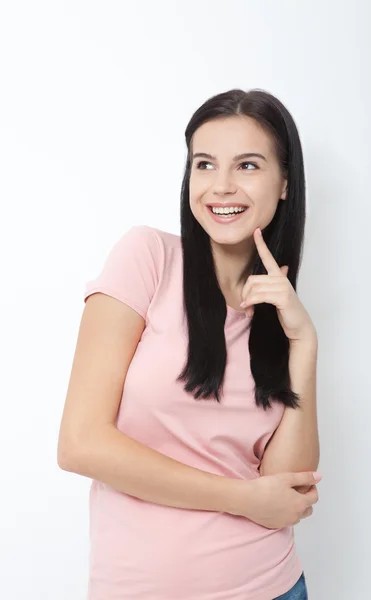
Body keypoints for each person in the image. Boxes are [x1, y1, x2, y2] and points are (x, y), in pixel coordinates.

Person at [57, 88, 321, 600]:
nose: (221, 186)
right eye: (205, 164)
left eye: (247, 166)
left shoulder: (281, 314)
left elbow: (286, 489)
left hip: (271, 586)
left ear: (284, 183)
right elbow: (80, 443)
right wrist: (242, 499)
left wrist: (305, 344)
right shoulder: (148, 258)